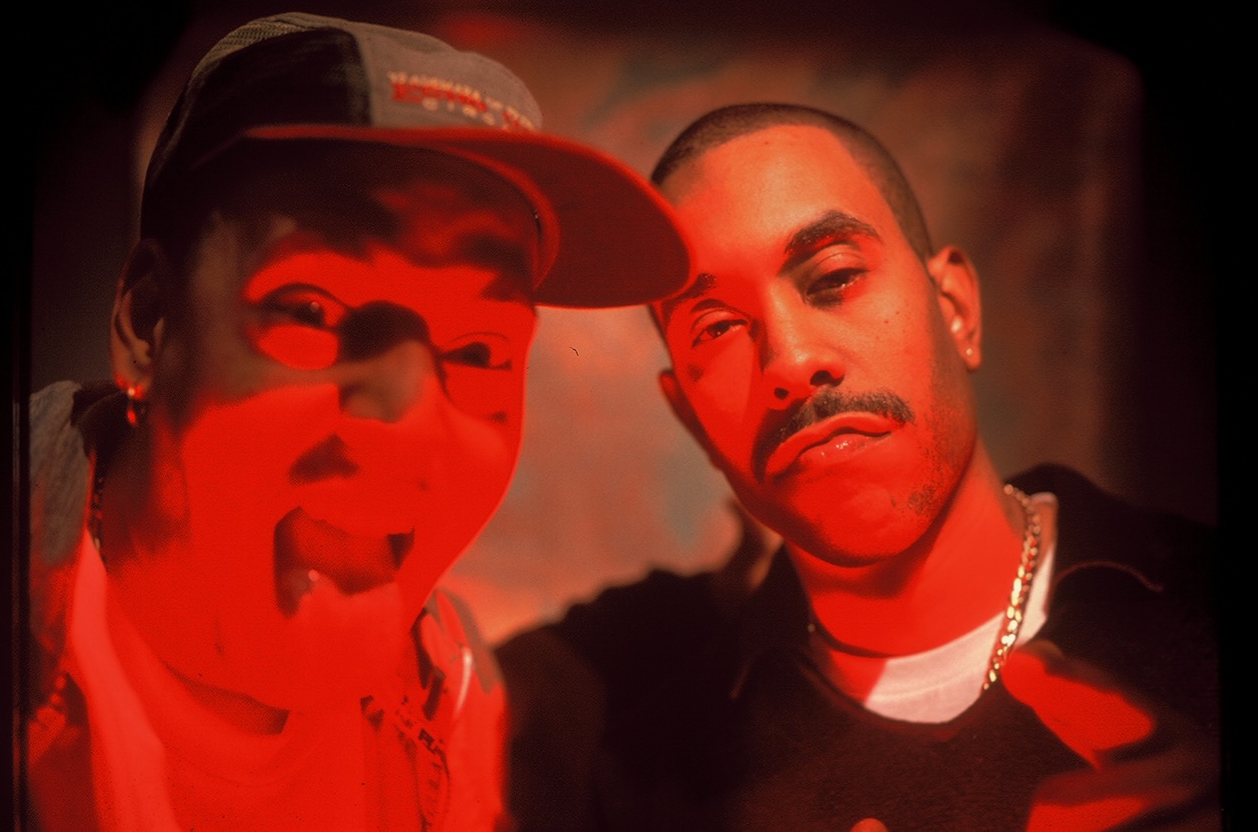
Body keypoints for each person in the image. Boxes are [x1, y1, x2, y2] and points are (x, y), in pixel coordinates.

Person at [22, 12, 690, 830]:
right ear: (149, 322)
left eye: (479, 352)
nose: (407, 428)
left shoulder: (455, 696)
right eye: (311, 310)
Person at [498, 103, 1221, 830]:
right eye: (716, 328)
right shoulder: (649, 782)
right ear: (690, 418)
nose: (790, 361)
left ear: (957, 310)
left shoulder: (1200, 605)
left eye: (835, 278)